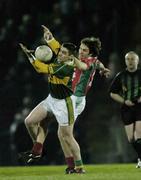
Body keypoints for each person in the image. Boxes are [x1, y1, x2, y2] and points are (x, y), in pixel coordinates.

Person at [42, 25, 110, 173]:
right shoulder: (94, 60)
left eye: (84, 50)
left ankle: (79, 166)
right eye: (80, 48)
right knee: (62, 134)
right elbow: (98, 63)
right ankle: (71, 166)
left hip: (74, 100)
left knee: (66, 134)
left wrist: (72, 58)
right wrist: (103, 68)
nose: (80, 51)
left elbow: (83, 66)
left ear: (90, 53)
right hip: (73, 99)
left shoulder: (87, 61)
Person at [19, 39, 85, 173]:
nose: (60, 54)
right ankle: (37, 149)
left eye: (63, 53)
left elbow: (40, 68)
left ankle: (79, 167)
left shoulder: (65, 67)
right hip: (51, 99)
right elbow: (57, 48)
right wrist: (50, 38)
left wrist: (29, 55)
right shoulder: (61, 59)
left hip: (64, 104)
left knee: (67, 136)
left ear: (70, 57)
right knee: (30, 121)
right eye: (60, 52)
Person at [109, 51, 141, 168]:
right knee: (131, 138)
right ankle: (140, 157)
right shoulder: (121, 76)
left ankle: (140, 160)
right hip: (126, 108)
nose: (130, 61)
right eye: (128, 59)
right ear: (125, 61)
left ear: (137, 61)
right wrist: (124, 101)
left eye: (133, 59)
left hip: (139, 107)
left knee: (139, 135)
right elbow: (112, 93)